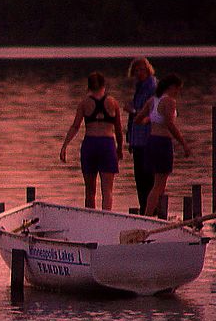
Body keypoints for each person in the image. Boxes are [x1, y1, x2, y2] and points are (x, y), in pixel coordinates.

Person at [59, 72, 123, 210]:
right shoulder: (113, 102)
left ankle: (90, 218)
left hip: (90, 144)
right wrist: (119, 148)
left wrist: (65, 146)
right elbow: (118, 129)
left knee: (89, 191)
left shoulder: (84, 103)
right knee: (107, 191)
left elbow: (75, 126)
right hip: (107, 144)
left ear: (88, 87)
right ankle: (106, 220)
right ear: (104, 85)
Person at [135, 74, 191, 217]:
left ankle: (154, 213)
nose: (178, 92)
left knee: (157, 184)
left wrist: (150, 120)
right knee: (159, 185)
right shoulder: (169, 101)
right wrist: (183, 143)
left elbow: (137, 119)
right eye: (178, 89)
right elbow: (169, 124)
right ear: (172, 87)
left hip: (151, 141)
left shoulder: (152, 101)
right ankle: (147, 216)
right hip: (163, 143)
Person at [124, 58, 157, 209]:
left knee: (148, 177)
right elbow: (134, 118)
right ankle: (144, 207)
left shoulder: (152, 87)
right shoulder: (140, 87)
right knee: (139, 177)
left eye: (142, 70)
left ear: (148, 70)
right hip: (137, 139)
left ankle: (151, 209)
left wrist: (133, 111)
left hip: (148, 138)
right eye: (136, 70)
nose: (139, 73)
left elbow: (152, 113)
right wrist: (130, 139)